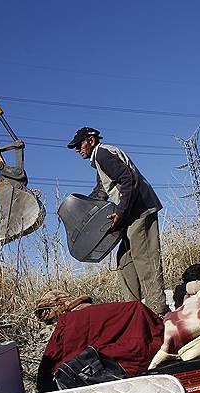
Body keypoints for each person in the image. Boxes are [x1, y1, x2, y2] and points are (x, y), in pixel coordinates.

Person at [68, 127, 168, 315]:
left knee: (145, 260)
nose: (77, 149)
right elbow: (102, 190)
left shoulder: (103, 154)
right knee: (125, 261)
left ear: (90, 140)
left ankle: (158, 311)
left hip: (140, 210)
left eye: (79, 144)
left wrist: (121, 212)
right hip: (130, 216)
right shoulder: (99, 160)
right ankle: (134, 312)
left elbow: (128, 179)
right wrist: (84, 211)